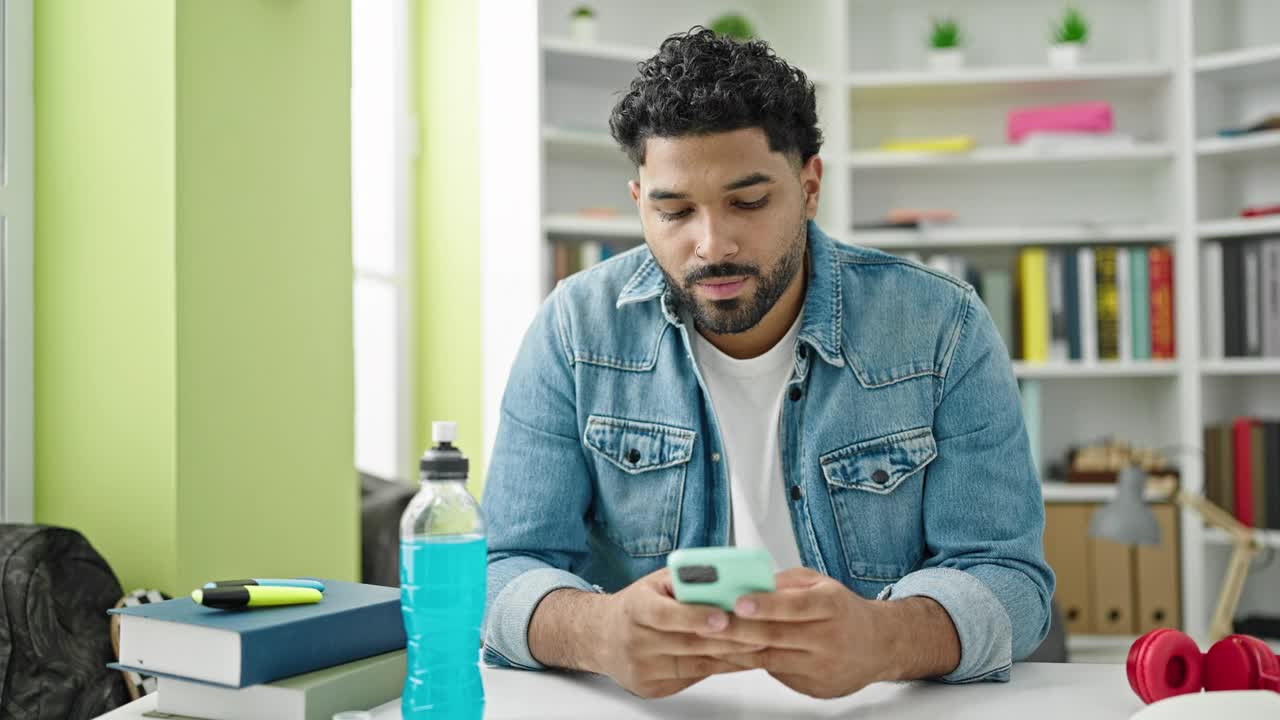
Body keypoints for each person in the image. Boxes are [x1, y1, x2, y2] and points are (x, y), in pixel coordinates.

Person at [480, 27, 1053, 700]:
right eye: (674, 211)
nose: (712, 244)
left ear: (809, 187)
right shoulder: (576, 328)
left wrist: (882, 640)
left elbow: (1010, 579)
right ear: (640, 204)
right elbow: (498, 569)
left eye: (748, 202)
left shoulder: (942, 327)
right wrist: (597, 632)